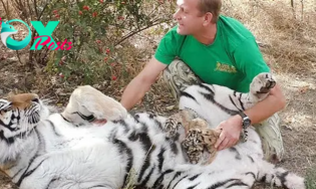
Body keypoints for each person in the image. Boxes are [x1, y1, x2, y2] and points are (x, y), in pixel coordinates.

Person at [120, 0, 286, 162]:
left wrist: (239, 121)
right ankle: (199, 125)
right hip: (211, 100)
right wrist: (115, 115)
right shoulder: (176, 38)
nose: (175, 16)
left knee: (268, 157)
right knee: (173, 69)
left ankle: (251, 124)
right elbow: (143, 80)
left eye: (184, 11)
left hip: (247, 104)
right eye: (178, 9)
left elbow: (278, 99)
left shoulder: (239, 42)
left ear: (206, 18)